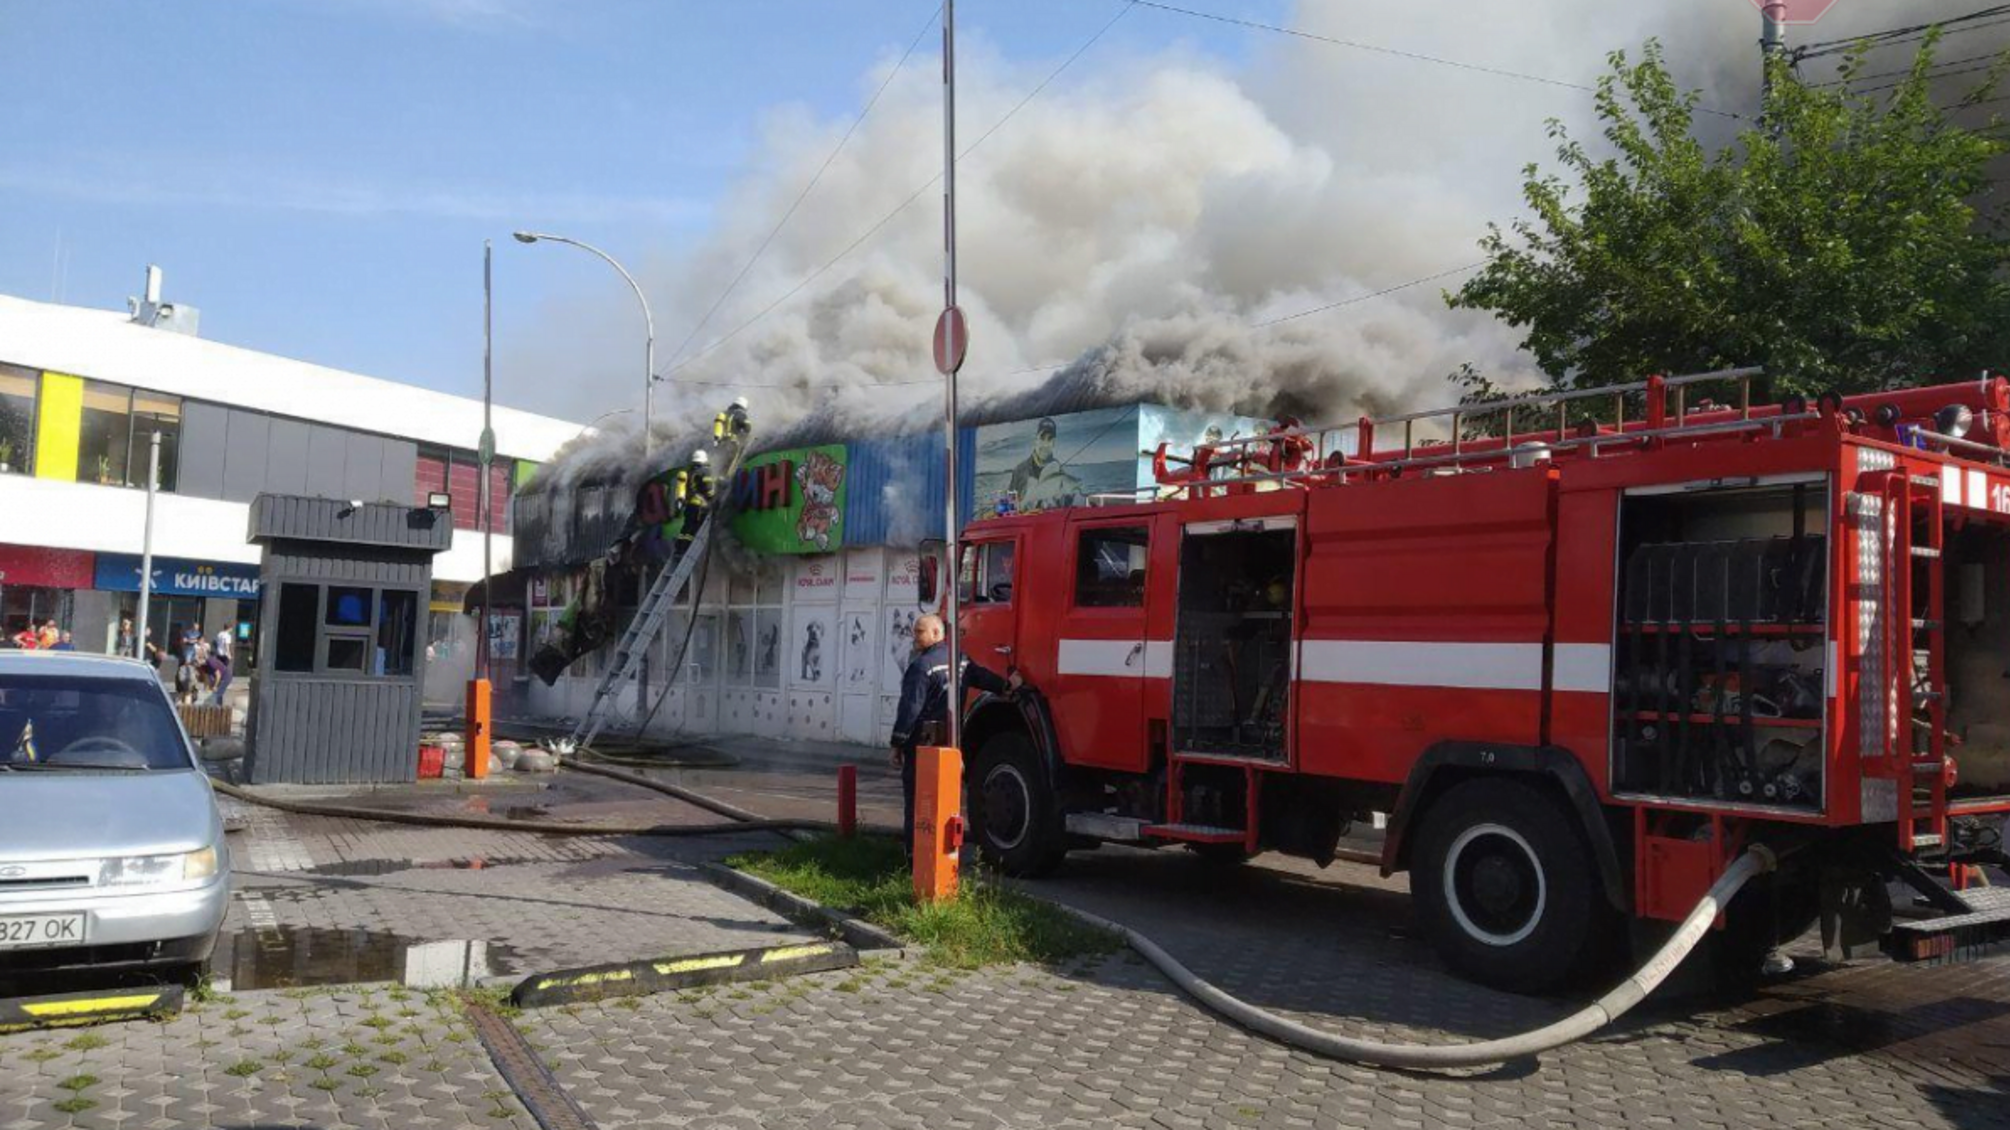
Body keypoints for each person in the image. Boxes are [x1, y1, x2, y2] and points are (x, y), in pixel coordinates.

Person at [888, 613, 1021, 855]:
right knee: (946, 802)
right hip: (950, 745)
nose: (914, 637)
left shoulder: (921, 667)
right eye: (914, 631)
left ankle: (914, 857)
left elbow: (910, 709)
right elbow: (983, 677)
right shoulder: (960, 661)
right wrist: (1008, 685)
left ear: (937, 634)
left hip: (922, 746)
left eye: (920, 632)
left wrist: (897, 743)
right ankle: (943, 854)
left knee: (919, 803)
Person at [209, 624, 234, 704]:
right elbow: (227, 645)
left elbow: (216, 643)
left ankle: (217, 681)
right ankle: (222, 682)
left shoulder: (219, 634)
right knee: (224, 669)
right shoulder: (227, 635)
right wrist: (229, 654)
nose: (232, 630)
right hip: (224, 654)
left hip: (219, 654)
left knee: (219, 668)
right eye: (231, 628)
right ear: (229, 628)